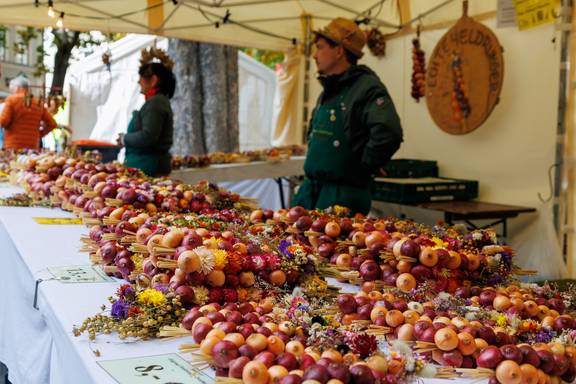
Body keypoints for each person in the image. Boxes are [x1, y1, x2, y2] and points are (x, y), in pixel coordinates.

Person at [292, 18, 403, 215]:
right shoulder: (329, 89)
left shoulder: (367, 87)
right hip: (310, 193)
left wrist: (364, 165)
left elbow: (388, 132)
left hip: (342, 199)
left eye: (320, 48)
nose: (315, 56)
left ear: (339, 50)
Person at [117, 60, 176, 177]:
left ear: (153, 80)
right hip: (147, 166)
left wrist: (125, 139)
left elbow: (148, 136)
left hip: (150, 167)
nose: (139, 81)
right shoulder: (156, 101)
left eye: (141, 77)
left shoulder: (156, 102)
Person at [0, 76, 57, 150]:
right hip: (32, 146)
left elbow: (3, 121)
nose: (13, 91)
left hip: (13, 146)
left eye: (13, 89)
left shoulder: (12, 100)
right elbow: (52, 124)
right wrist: (39, 134)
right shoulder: (38, 103)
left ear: (18, 87)